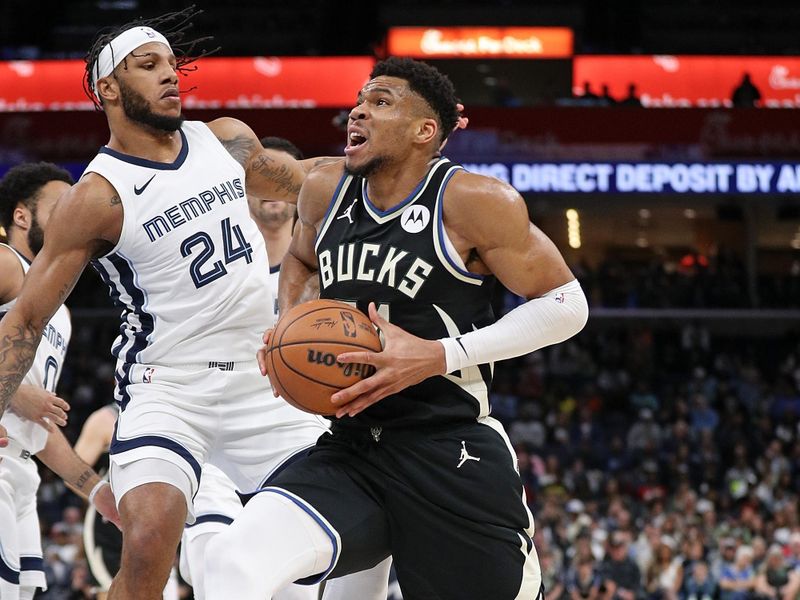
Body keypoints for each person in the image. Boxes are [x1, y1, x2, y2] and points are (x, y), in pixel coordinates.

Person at [205, 56, 588, 599]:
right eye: (360, 100)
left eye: (380, 101)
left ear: (425, 130)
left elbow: (568, 304)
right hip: (352, 448)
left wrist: (440, 354)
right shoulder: (323, 187)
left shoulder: (473, 201)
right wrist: (286, 323)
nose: (358, 110)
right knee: (231, 564)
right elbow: (301, 256)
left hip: (450, 449)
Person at [0, 9, 350, 600]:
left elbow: (307, 179)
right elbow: (27, 318)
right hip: (169, 387)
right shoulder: (97, 197)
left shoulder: (224, 141)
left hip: (263, 375)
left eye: (170, 64)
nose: (169, 76)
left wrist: (407, 169)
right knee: (146, 548)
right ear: (107, 89)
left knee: (349, 524)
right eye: (148, 65)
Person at [0, 162, 120, 600]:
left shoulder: (60, 313)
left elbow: (41, 428)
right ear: (21, 216)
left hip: (21, 471)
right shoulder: (7, 263)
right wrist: (14, 391)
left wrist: (96, 490)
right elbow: (19, 396)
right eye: (60, 207)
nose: (74, 218)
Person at [74, 403, 179, 600]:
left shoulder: (170, 410)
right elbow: (72, 475)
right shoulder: (105, 418)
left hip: (157, 520)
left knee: (156, 588)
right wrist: (105, 497)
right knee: (112, 589)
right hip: (110, 524)